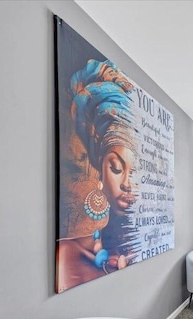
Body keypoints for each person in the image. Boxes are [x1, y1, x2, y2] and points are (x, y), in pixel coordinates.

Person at [56, 60, 140, 293]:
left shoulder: (129, 241)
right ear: (99, 166)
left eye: (135, 173)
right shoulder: (70, 251)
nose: (127, 185)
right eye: (116, 168)